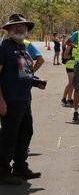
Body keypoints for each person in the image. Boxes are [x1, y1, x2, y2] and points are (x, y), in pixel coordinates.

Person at [0, 13, 43, 184]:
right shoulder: (4, 48)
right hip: (9, 100)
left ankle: (20, 167)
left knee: (25, 132)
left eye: (23, 26)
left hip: (24, 99)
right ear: (9, 29)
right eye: (16, 26)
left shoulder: (22, 47)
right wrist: (0, 100)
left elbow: (22, 73)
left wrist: (34, 82)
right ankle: (2, 171)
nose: (20, 28)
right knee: (9, 136)